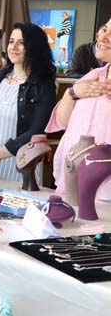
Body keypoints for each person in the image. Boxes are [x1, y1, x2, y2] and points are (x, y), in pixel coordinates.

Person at [0, 22, 57, 180]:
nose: (13, 47)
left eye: (21, 43)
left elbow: (36, 131)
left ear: (34, 48)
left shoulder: (44, 87)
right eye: (11, 41)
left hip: (19, 167)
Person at [46, 17, 111, 198]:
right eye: (105, 29)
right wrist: (72, 93)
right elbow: (63, 121)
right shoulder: (93, 75)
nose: (104, 37)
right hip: (71, 182)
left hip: (105, 194)